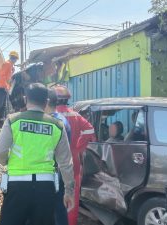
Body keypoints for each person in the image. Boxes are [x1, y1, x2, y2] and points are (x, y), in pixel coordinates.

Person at [0, 83, 75, 225]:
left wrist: (5, 162)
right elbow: (66, 162)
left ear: (26, 99)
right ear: (47, 102)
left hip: (17, 185)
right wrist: (69, 190)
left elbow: (0, 151)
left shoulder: (13, 120)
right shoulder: (57, 125)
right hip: (45, 187)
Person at [54, 84, 95, 225]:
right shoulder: (75, 115)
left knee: (53, 196)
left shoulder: (49, 116)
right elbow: (90, 130)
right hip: (73, 161)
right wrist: (78, 148)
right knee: (72, 196)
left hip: (53, 163)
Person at [46, 88, 71, 225]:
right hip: (59, 172)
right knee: (59, 209)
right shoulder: (62, 119)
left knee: (56, 209)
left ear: (47, 102)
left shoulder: (54, 122)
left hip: (54, 172)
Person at [0, 51, 19, 128]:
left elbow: (7, 77)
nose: (14, 60)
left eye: (15, 58)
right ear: (13, 58)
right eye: (14, 58)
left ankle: (1, 123)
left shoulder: (10, 66)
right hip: (1, 87)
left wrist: (12, 71)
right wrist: (6, 86)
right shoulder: (7, 64)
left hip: (4, 88)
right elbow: (2, 76)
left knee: (3, 107)